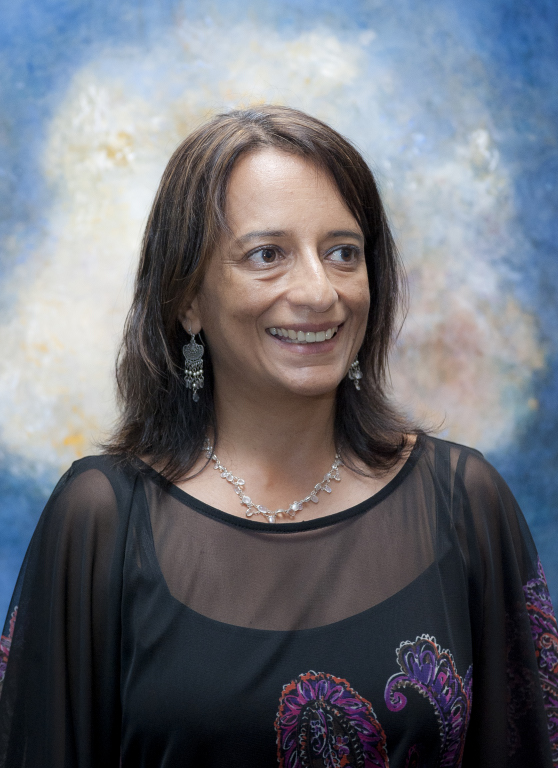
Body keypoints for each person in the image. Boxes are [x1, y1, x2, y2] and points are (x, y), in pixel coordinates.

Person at [0, 105, 556, 768]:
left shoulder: (466, 503)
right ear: (187, 299)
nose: (320, 292)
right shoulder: (100, 520)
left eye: (343, 253)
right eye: (268, 255)